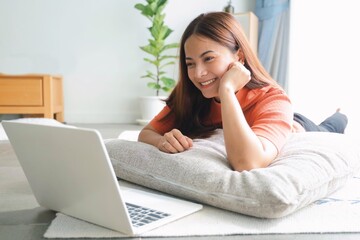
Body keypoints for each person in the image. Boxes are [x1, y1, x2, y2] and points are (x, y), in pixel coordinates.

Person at [138, 11, 348, 171]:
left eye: (209, 58)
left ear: (238, 57)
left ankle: (341, 114)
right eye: (190, 64)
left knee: (330, 126)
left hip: (296, 124)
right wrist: (162, 140)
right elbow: (147, 133)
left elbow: (247, 163)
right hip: (265, 117)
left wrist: (227, 90)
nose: (198, 73)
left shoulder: (273, 99)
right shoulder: (191, 96)